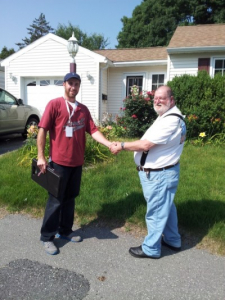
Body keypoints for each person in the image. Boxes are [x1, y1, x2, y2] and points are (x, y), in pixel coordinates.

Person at [37, 72, 114, 255]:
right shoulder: (54, 104)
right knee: (55, 201)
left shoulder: (83, 110)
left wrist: (109, 144)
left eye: (77, 84)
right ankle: (47, 237)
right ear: (64, 84)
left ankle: (65, 231)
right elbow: (42, 130)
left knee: (70, 199)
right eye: (70, 83)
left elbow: (93, 131)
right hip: (58, 163)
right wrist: (41, 157)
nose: (73, 87)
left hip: (76, 163)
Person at [110, 85, 186, 259]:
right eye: (156, 98)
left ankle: (151, 248)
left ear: (172, 100)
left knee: (156, 212)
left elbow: (146, 145)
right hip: (164, 172)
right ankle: (173, 240)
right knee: (167, 208)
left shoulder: (170, 120)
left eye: (163, 98)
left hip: (159, 174)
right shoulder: (168, 116)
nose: (158, 101)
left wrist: (121, 145)